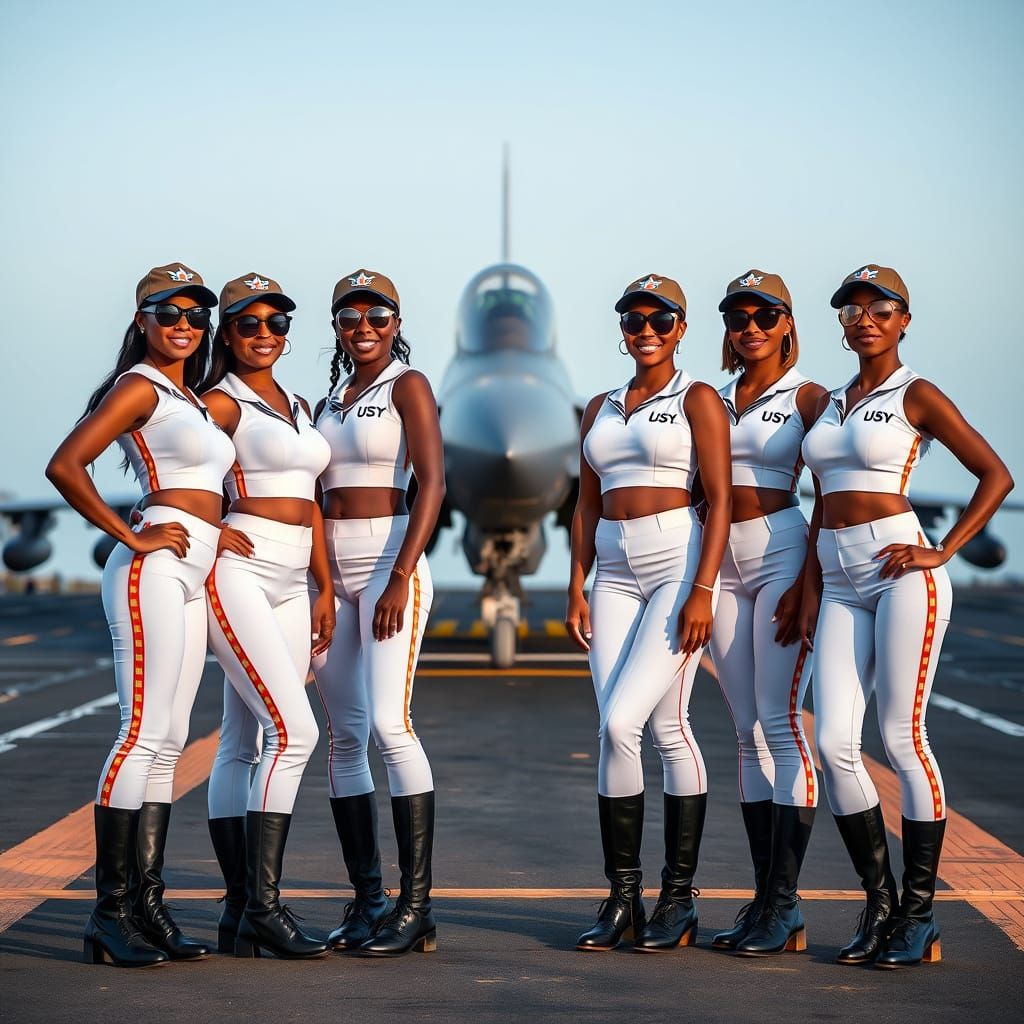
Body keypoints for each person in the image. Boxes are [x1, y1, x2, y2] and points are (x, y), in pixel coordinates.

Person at [800, 264, 1014, 967]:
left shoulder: (914, 393)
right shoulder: (827, 403)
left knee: (900, 735)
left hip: (900, 574)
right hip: (838, 580)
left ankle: (919, 917)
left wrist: (942, 550)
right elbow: (820, 501)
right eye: (851, 309)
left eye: (879, 307)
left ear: (903, 319)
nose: (863, 318)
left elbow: (995, 473)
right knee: (834, 742)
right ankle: (881, 904)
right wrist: (809, 583)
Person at [46, 263, 234, 967]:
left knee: (170, 738)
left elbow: (206, 485)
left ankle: (147, 907)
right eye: (169, 312)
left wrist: (225, 530)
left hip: (192, 564)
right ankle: (109, 913)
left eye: (195, 314)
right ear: (142, 321)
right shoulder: (139, 387)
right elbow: (67, 464)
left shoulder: (187, 394)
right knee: (142, 732)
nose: (184, 324)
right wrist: (132, 536)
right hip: (153, 567)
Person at [566, 274, 731, 952]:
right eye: (634, 320)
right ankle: (625, 898)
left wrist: (701, 588)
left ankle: (680, 896)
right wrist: (576, 581)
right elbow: (584, 502)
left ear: (681, 328)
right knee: (639, 728)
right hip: (613, 572)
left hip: (675, 565)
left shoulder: (697, 399)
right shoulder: (600, 406)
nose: (645, 331)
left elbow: (718, 498)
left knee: (626, 720)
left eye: (659, 320)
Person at [312, 269, 446, 957]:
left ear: (396, 322)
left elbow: (433, 481)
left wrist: (399, 575)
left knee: (391, 727)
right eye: (349, 317)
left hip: (390, 560)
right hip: (330, 574)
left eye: (378, 315)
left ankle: (415, 906)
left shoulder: (408, 385)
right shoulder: (328, 401)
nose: (363, 327)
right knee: (343, 734)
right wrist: (318, 584)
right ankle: (368, 902)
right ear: (336, 326)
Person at [200, 273, 332, 959]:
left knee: (240, 740)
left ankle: (234, 913)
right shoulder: (217, 404)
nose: (263, 335)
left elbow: (310, 498)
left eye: (276, 324)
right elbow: (170, 465)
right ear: (227, 332)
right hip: (241, 569)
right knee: (294, 730)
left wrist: (326, 588)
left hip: (293, 578)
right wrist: (197, 524)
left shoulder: (299, 403)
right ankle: (263, 908)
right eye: (248, 324)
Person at [707, 271, 825, 956]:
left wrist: (809, 581)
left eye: (764, 314)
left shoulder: (808, 398)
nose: (749, 326)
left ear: (786, 322)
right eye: (737, 315)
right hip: (722, 567)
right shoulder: (713, 399)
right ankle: (762, 903)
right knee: (746, 730)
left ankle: (787, 906)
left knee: (782, 726)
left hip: (781, 554)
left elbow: (831, 487)